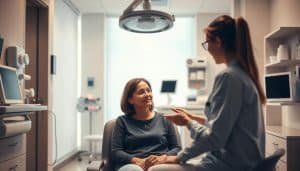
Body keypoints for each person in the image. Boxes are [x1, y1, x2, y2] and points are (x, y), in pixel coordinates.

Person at [164, 15, 266, 171]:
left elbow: (215, 138)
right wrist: (192, 117)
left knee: (156, 169)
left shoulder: (229, 77)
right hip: (241, 163)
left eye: (207, 43)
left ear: (217, 42)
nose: (208, 49)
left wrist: (180, 153)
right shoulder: (244, 76)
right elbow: (224, 124)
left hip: (227, 165)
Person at [111, 78, 182, 171]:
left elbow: (177, 148)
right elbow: (116, 152)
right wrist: (135, 160)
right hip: (132, 166)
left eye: (148, 90)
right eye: (141, 92)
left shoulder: (165, 119)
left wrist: (162, 158)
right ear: (130, 100)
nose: (147, 94)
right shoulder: (122, 121)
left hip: (160, 164)